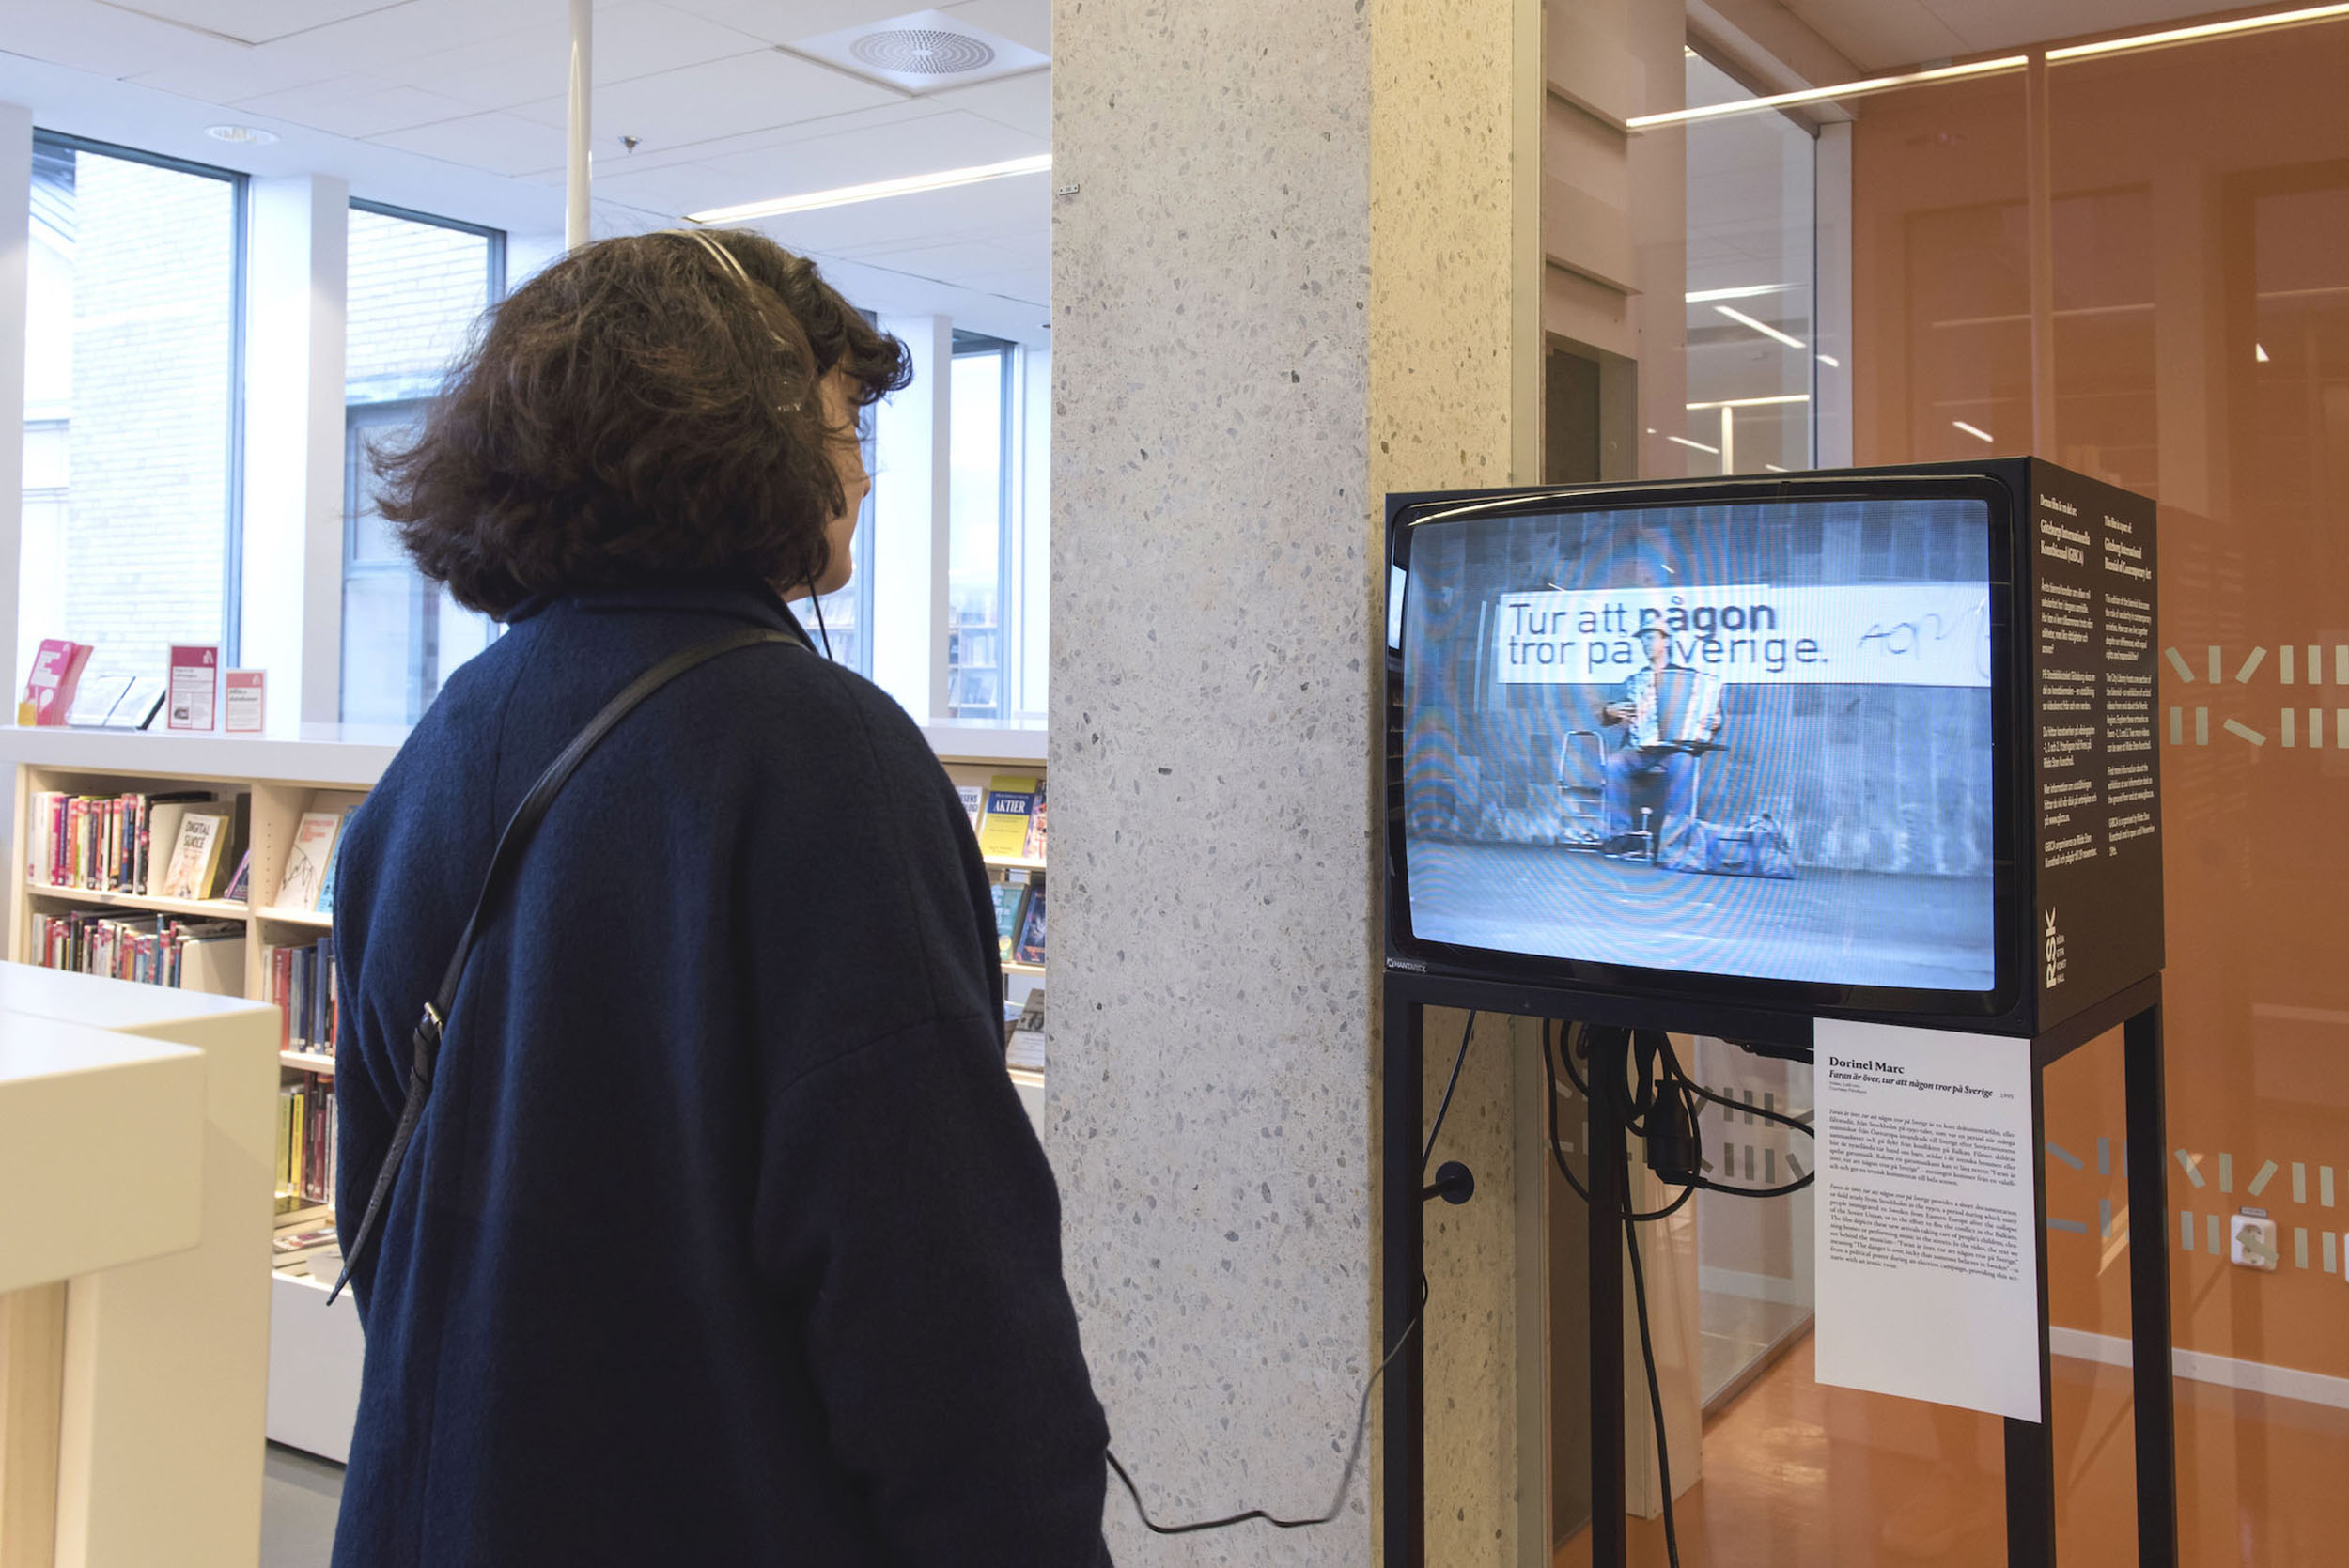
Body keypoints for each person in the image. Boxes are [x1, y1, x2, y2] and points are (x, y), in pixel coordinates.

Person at [329, 229, 1111, 1566]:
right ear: (737, 428)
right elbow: (937, 1315)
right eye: (846, 424)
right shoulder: (825, 758)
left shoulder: (438, 749)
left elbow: (377, 1219)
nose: (862, 475)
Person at [1597, 625, 1721, 861]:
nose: (1645, 644)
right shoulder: (1636, 680)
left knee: (1684, 764)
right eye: (1642, 640)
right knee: (1614, 764)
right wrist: (1610, 711)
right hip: (1642, 748)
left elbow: (1711, 714)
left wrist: (1714, 721)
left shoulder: (1691, 678)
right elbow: (1610, 715)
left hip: (1677, 748)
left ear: (1666, 641)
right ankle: (1621, 836)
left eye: (1651, 638)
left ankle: (1673, 843)